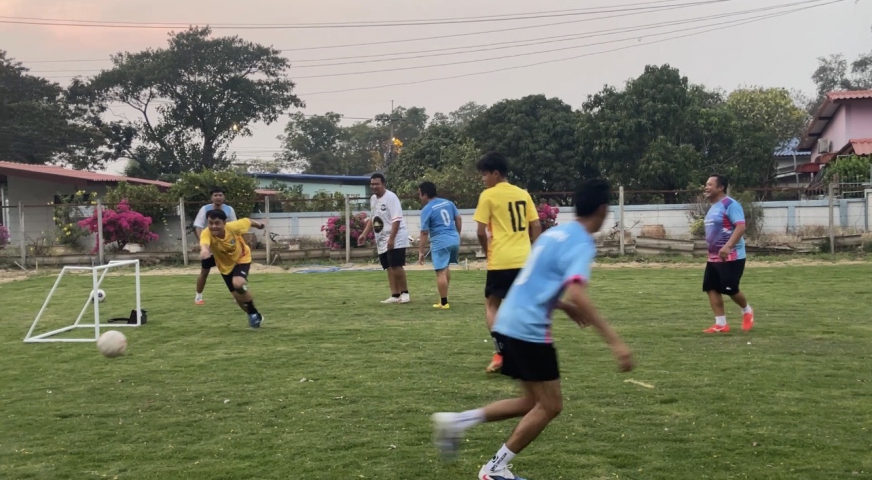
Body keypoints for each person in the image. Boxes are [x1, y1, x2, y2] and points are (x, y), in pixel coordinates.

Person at [432, 179, 634, 480]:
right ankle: (494, 469)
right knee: (551, 405)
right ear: (603, 209)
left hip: (508, 322)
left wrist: (563, 306)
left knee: (530, 402)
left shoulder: (554, 234)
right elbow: (577, 292)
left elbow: (534, 280)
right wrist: (616, 342)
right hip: (529, 329)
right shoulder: (581, 241)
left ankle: (457, 422)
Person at [473, 152, 541, 373]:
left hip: (500, 260)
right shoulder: (523, 194)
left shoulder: (488, 195)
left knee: (492, 306)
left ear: (495, 173)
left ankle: (501, 353)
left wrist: (487, 252)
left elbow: (480, 231)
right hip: (524, 260)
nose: (483, 179)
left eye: (484, 174)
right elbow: (536, 226)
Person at [701, 174, 754, 333]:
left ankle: (747, 310)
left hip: (731, 256)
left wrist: (728, 246)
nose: (706, 187)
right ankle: (721, 324)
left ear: (720, 187)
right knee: (711, 288)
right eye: (706, 184)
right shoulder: (713, 207)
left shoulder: (730, 204)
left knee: (729, 289)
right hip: (713, 257)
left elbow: (741, 226)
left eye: (710, 185)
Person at [199, 210, 266, 328]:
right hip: (224, 265)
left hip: (241, 258)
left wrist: (260, 225)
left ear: (224, 222)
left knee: (237, 283)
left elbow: (248, 221)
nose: (213, 226)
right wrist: (204, 250)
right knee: (238, 299)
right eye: (210, 223)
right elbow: (204, 243)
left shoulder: (234, 227)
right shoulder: (206, 232)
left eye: (217, 223)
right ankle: (254, 313)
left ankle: (243, 289)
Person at [358, 173, 411, 304]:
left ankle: (405, 293)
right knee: (388, 266)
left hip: (396, 236)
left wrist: (391, 239)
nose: (374, 186)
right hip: (381, 238)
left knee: (396, 265)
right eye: (372, 184)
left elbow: (396, 220)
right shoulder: (373, 199)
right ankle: (395, 294)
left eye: (377, 184)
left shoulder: (391, 197)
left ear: (383, 184)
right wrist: (364, 234)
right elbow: (373, 218)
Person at [417, 181, 462, 309]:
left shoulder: (427, 209)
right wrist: (457, 234)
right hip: (454, 239)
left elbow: (424, 232)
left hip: (440, 241)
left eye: (420, 194)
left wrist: (421, 251)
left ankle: (443, 302)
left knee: (440, 272)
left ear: (425, 194)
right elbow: (458, 218)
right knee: (445, 267)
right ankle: (444, 296)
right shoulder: (448, 203)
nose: (419, 197)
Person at [192, 187, 238, 305]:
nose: (218, 197)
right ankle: (198, 296)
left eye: (220, 195)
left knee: (231, 272)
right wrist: (205, 245)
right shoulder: (205, 209)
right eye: (215, 195)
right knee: (204, 272)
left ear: (224, 197)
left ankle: (236, 295)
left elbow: (234, 228)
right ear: (211, 197)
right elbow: (198, 226)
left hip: (225, 249)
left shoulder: (229, 210)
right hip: (210, 250)